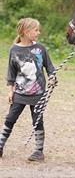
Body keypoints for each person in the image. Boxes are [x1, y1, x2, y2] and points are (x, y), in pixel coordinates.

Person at [0, 17, 56, 161]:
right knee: (10, 118)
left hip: (38, 94)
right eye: (36, 30)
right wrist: (10, 91)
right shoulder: (14, 49)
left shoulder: (40, 49)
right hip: (19, 92)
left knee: (38, 120)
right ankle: (0, 146)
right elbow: (11, 73)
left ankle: (38, 152)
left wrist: (52, 77)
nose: (39, 32)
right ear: (26, 31)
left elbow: (49, 67)